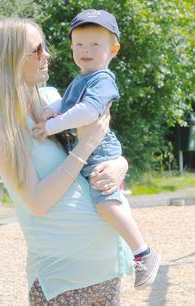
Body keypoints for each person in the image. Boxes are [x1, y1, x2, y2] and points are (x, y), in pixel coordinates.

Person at [0, 17, 136, 305]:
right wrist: (84, 147)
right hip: (61, 278)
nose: (46, 55)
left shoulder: (52, 99)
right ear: (10, 58)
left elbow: (102, 143)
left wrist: (121, 163)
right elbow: (36, 201)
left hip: (107, 266)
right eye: (36, 50)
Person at [31, 9, 160, 288]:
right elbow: (65, 104)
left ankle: (143, 253)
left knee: (106, 204)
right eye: (79, 44)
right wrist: (49, 110)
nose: (85, 50)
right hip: (89, 150)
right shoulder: (81, 78)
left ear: (113, 50)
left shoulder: (102, 79)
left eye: (94, 45)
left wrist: (51, 126)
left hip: (100, 152)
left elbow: (88, 112)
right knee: (101, 203)